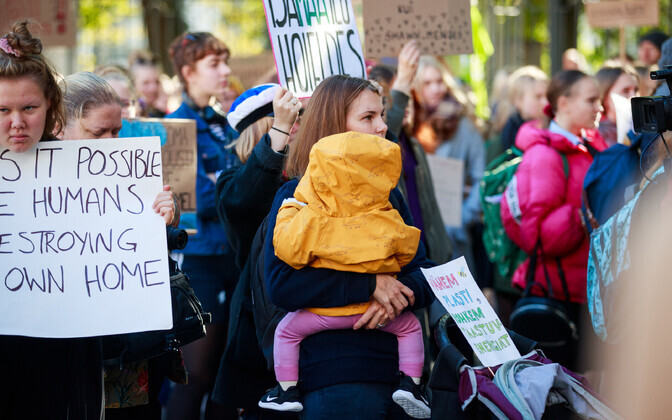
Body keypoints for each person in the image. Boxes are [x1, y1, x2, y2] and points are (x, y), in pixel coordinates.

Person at [264, 75, 436, 418]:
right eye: (368, 117)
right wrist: (370, 286)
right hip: (332, 381)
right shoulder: (296, 195)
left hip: (397, 376)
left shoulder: (389, 196)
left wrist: (399, 295)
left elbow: (425, 271)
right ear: (334, 127)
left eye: (382, 116)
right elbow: (282, 285)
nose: (383, 127)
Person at [57, 70, 180, 419]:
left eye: (117, 131)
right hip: (65, 350)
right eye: (99, 133)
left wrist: (167, 219)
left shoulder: (137, 177)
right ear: (59, 128)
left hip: (129, 352)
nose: (113, 142)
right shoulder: (34, 187)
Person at [0, 20, 105, 420]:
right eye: (3, 110)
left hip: (61, 352)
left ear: (50, 106)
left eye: (29, 108)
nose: (17, 122)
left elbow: (114, 243)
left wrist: (158, 217)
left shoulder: (88, 173)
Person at [500, 70, 608, 369]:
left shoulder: (590, 146)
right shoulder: (545, 156)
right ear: (564, 102)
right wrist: (581, 216)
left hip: (585, 294)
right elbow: (536, 236)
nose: (600, 107)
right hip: (558, 295)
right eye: (591, 100)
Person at [210, 83, 301, 418]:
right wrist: (279, 131)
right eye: (292, 121)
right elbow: (244, 203)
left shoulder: (310, 175)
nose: (298, 128)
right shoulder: (231, 182)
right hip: (260, 331)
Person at [165, 31, 240, 420]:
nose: (225, 70)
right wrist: (231, 184)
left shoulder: (223, 124)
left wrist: (222, 182)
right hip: (200, 263)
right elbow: (191, 203)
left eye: (225, 61)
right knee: (196, 372)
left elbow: (237, 187)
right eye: (215, 64)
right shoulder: (176, 126)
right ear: (187, 72)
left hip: (233, 258)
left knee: (229, 374)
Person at [500, 65, 549, 151]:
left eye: (547, 96)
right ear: (518, 100)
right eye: (538, 97)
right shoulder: (509, 133)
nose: (545, 102)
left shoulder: (553, 125)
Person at [595, 63, 639, 146]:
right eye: (625, 91)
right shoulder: (594, 136)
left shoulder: (642, 130)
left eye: (636, 90)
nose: (634, 97)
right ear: (604, 96)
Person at [128, 50, 165, 117]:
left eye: (157, 82)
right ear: (133, 85)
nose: (153, 88)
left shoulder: (163, 110)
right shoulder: (127, 114)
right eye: (146, 83)